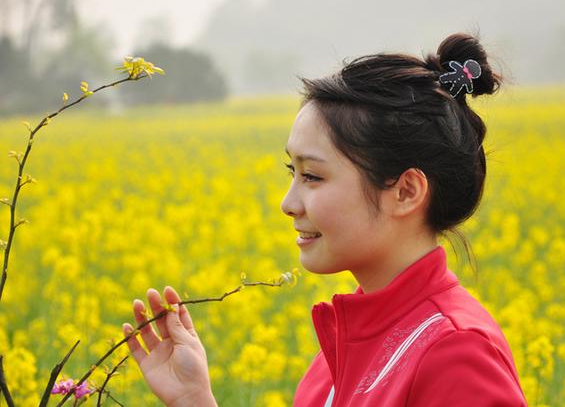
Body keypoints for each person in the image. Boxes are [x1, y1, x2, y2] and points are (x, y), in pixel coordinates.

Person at [123, 32, 528, 406]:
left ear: (405, 192)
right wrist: (196, 401)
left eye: (312, 176)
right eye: (292, 173)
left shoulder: (456, 353)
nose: (288, 203)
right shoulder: (339, 352)